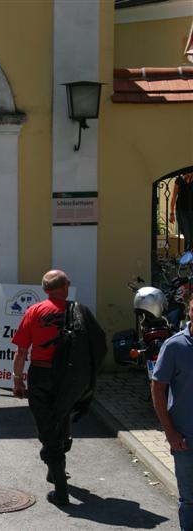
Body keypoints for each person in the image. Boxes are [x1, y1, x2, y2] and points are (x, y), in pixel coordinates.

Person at [11, 270, 107, 507]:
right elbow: (99, 345)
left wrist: (17, 379)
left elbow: (22, 351)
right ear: (66, 286)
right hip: (70, 377)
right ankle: (56, 471)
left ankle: (61, 491)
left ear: (45, 290)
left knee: (46, 426)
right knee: (61, 415)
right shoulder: (79, 312)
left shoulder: (34, 311)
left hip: (41, 374)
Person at [152, 296, 193, 530]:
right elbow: (158, 386)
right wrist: (169, 431)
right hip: (185, 438)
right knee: (189, 500)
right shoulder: (175, 346)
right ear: (189, 311)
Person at [170, 171, 193, 251]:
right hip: (181, 211)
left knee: (191, 237)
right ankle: (186, 256)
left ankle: (189, 257)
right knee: (187, 236)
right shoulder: (179, 180)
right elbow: (173, 197)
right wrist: (172, 213)